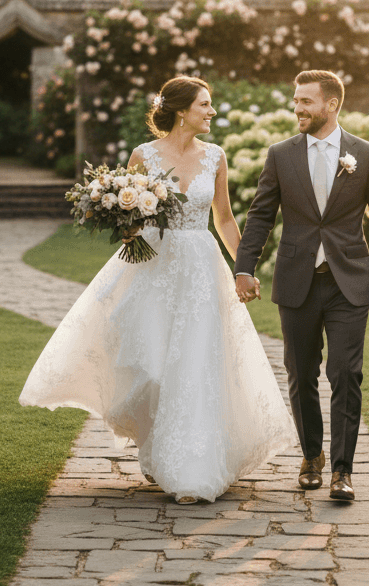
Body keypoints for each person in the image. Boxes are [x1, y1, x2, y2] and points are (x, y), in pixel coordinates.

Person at [19, 76, 297, 504]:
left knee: (195, 362)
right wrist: (125, 223)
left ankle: (191, 467)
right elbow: (123, 211)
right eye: (206, 104)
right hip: (150, 265)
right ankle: (154, 446)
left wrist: (244, 269)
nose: (212, 111)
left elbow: (222, 219)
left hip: (201, 269)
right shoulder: (143, 155)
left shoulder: (216, 157)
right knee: (148, 364)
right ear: (182, 110)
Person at [233, 70, 369, 502]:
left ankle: (343, 472)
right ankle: (312, 457)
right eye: (296, 100)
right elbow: (260, 216)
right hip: (297, 282)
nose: (298, 108)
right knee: (300, 374)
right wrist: (243, 267)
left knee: (346, 374)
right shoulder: (281, 155)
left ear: (332, 105)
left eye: (306, 101)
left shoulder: (364, 155)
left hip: (348, 283)